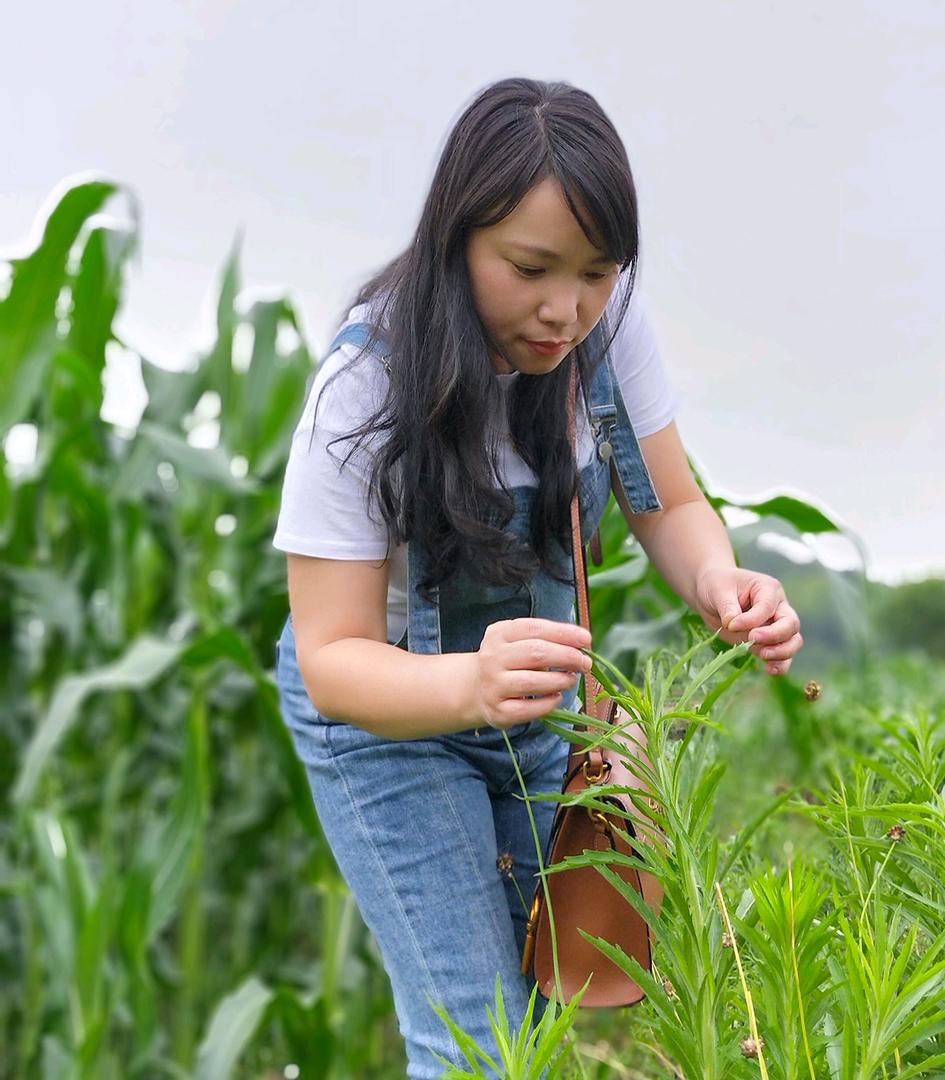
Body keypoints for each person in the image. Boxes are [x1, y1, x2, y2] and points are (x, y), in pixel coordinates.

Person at [272, 76, 803, 1079]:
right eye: (531, 268)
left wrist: (724, 582)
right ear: (455, 238)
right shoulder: (365, 387)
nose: (566, 309)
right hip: (385, 720)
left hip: (541, 715)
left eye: (598, 273)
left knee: (557, 1004)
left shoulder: (605, 334)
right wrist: (464, 686)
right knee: (479, 1043)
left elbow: (671, 508)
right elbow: (332, 659)